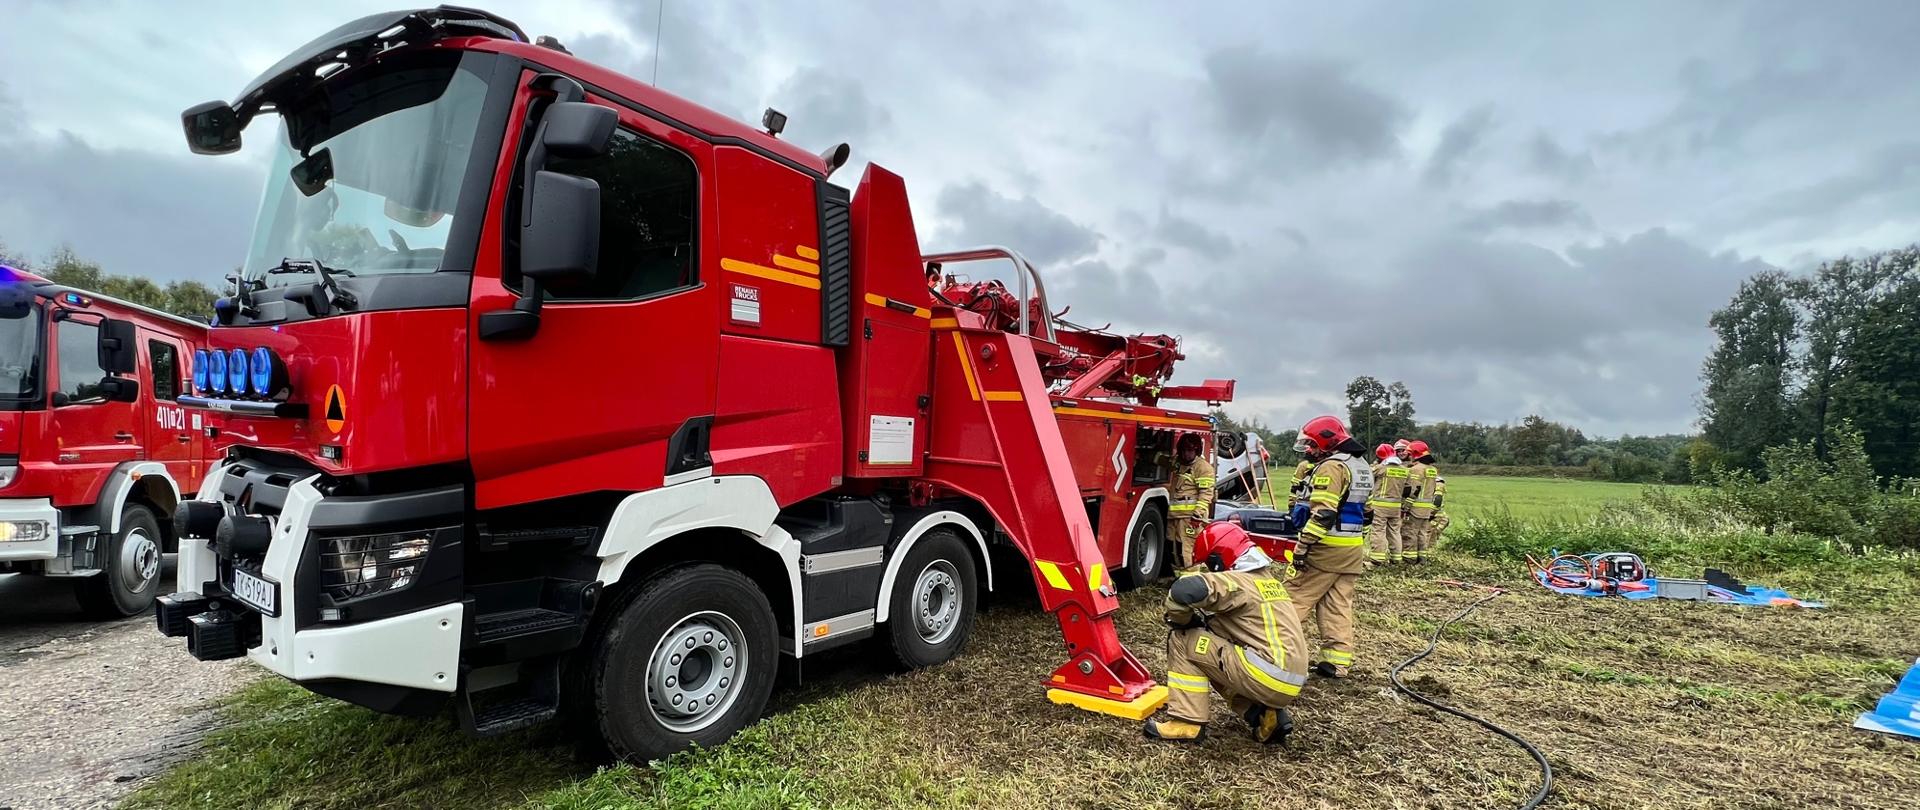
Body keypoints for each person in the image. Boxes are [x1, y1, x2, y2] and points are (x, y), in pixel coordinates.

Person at [1143, 522, 1308, 745]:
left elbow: (1183, 590)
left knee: (1183, 640)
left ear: (1219, 560)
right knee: (1212, 654)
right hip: (1289, 680)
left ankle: (1186, 722)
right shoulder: (1268, 581)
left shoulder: (1238, 581)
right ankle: (1261, 714)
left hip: (1265, 674)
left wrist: (1185, 621)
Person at [1287, 415, 1373, 678]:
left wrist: (1302, 547)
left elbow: (1323, 514)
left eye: (1312, 445)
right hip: (1351, 549)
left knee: (1291, 601)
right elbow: (1367, 514)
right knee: (1337, 605)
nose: (1310, 450)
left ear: (1327, 442)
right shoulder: (1361, 466)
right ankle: (1335, 663)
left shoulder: (1331, 467)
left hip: (1325, 549)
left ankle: (1275, 656)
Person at [1165, 433, 1217, 567]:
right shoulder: (1179, 463)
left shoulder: (1203, 468)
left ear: (1197, 450)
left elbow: (1206, 494)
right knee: (1173, 549)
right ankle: (1179, 579)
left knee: (1186, 550)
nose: (1185, 454)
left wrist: (1197, 515)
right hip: (1174, 516)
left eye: (1189, 451)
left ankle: (1190, 581)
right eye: (1183, 451)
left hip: (1190, 518)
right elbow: (1164, 461)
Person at [1366, 443, 1408, 566]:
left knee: (1378, 531)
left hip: (1379, 506)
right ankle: (1396, 559)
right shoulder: (1404, 470)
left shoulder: (1379, 469)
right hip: (1396, 507)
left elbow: (1369, 477)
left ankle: (1376, 560)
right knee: (1395, 531)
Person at [1404, 440, 1439, 563]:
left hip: (1416, 507)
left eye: (1409, 453)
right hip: (1427, 507)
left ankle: (1409, 558)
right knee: (1423, 532)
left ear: (1414, 454)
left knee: (1411, 532)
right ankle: (1422, 557)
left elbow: (1414, 489)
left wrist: (1406, 506)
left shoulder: (1416, 469)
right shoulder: (1432, 469)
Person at [1428, 475, 1450, 544]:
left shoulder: (1438, 484)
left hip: (1436, 518)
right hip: (1436, 517)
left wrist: (1430, 514)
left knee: (1429, 542)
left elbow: (1437, 500)